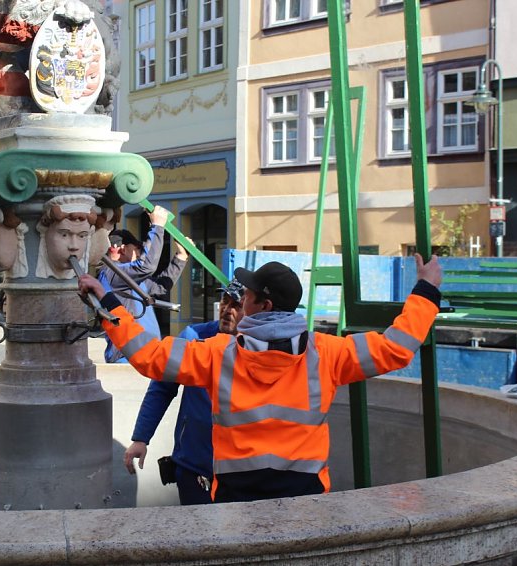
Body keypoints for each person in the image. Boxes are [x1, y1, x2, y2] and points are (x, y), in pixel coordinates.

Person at [78, 254, 442, 503]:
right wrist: (426, 291)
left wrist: (110, 304)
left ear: (264, 306)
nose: (240, 300)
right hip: (305, 493)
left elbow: (149, 357)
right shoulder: (328, 353)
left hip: (236, 494)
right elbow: (397, 348)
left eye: (247, 296)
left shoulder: (218, 353)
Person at [124, 279, 246, 505]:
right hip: (194, 467)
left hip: (242, 471)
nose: (227, 310)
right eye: (224, 301)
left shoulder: (260, 347)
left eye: (236, 305)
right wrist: (141, 438)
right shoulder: (194, 337)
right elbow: (161, 388)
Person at [98, 205, 184, 363]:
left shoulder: (130, 279)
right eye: (137, 251)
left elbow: (160, 287)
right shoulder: (110, 274)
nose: (139, 256)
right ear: (121, 249)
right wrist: (157, 226)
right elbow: (146, 266)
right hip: (128, 357)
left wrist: (181, 257)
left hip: (147, 354)